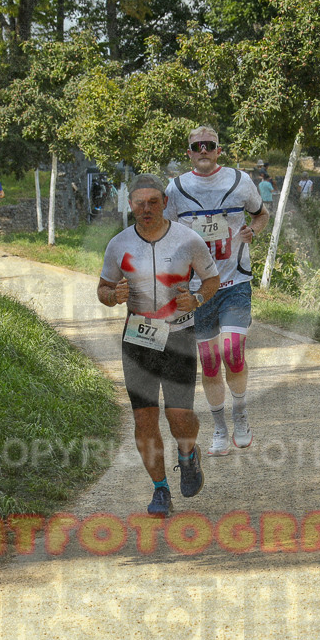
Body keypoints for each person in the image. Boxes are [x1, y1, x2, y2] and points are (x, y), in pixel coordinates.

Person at [98, 174, 221, 517]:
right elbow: (103, 288)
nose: (146, 208)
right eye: (140, 202)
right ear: (130, 205)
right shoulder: (118, 244)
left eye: (153, 201)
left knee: (180, 416)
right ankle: (160, 489)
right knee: (145, 419)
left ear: (165, 203)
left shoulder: (189, 240)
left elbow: (212, 280)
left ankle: (188, 452)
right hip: (138, 338)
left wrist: (196, 298)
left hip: (179, 335)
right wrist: (112, 296)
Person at [164, 125, 270, 456]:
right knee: (210, 362)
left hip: (235, 281)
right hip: (197, 290)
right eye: (198, 146)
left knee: (233, 350)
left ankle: (240, 416)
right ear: (189, 153)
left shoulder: (239, 181)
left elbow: (262, 214)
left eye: (210, 145)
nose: (204, 150)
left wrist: (253, 229)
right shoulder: (177, 188)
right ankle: (220, 428)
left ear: (218, 150)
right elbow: (165, 232)